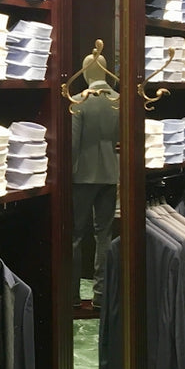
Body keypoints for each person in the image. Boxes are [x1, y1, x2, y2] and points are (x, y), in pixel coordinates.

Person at [71, 53, 120, 310]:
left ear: (87, 74)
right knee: (105, 235)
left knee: (75, 236)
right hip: (111, 174)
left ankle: (73, 295)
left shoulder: (79, 101)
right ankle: (101, 294)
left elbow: (73, 143)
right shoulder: (118, 101)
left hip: (81, 177)